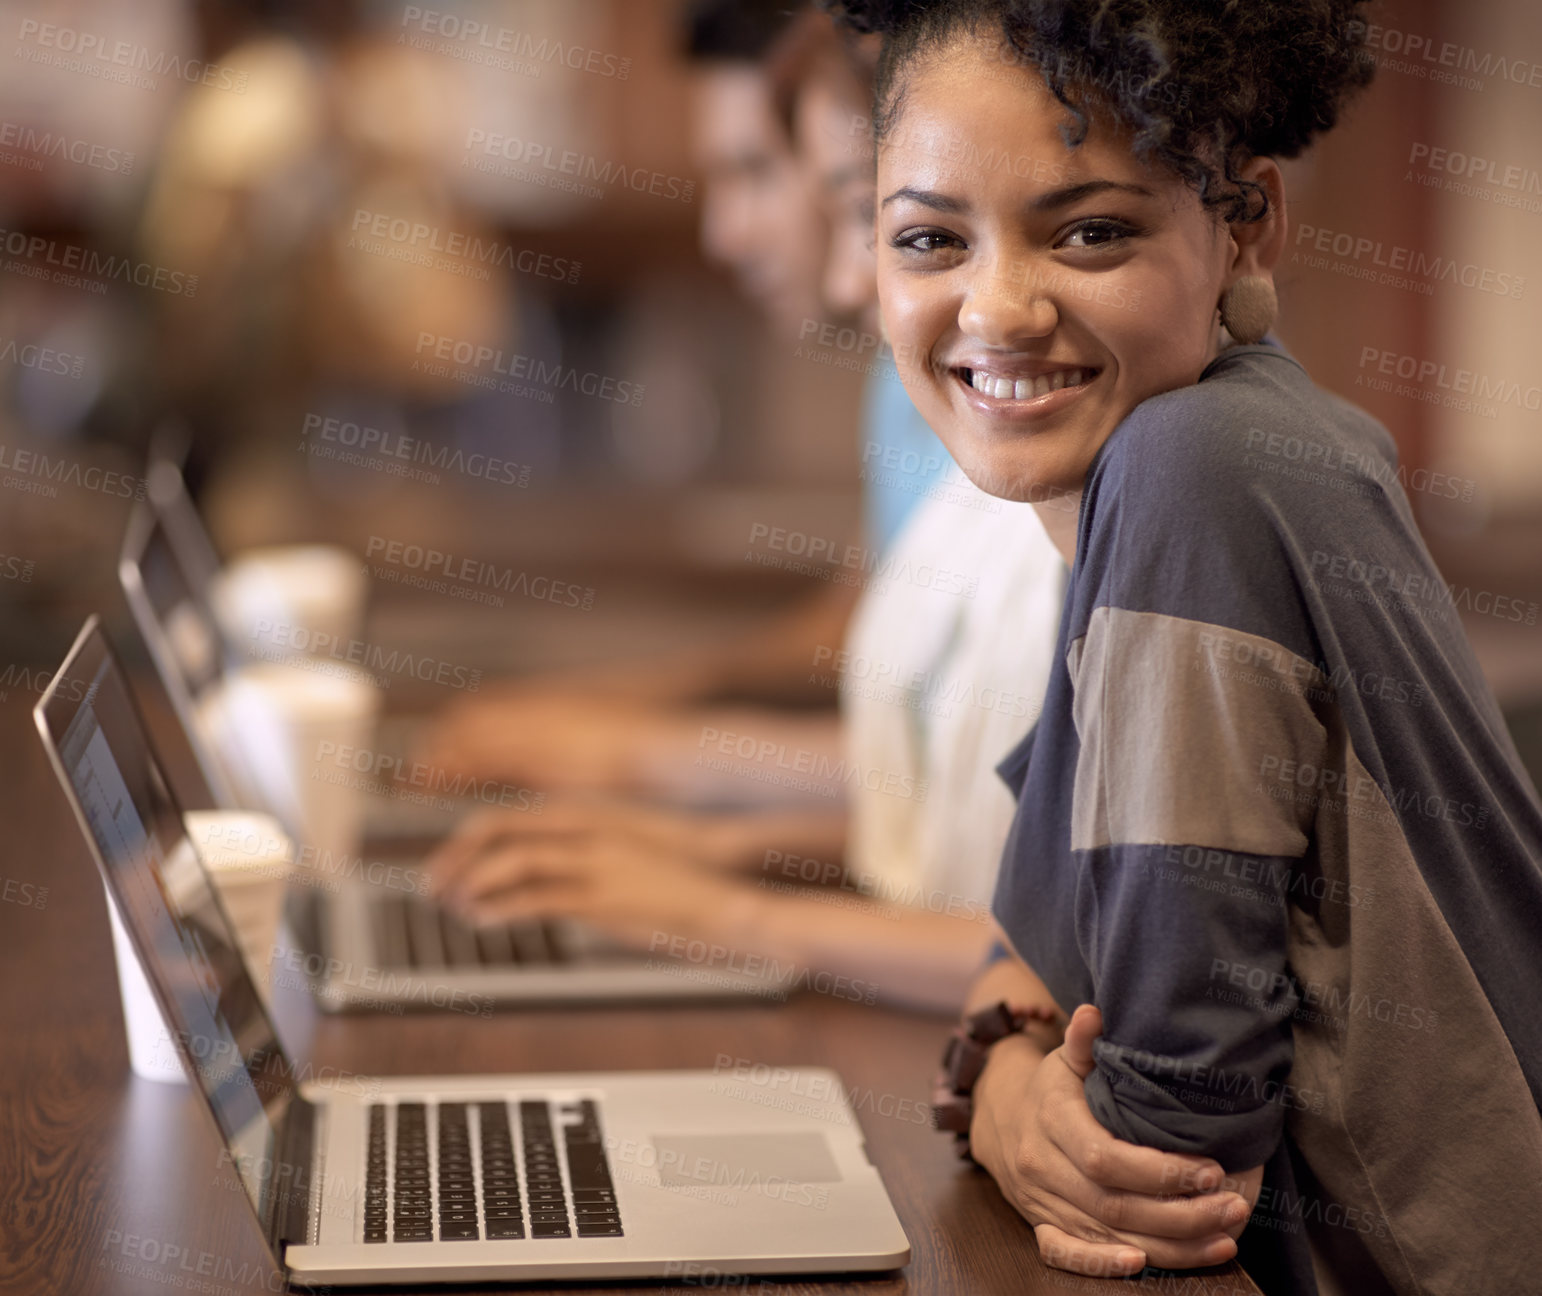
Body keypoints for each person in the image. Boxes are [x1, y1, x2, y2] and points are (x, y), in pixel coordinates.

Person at [828, 0, 1542, 1290]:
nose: (997, 308)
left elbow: (1165, 1156)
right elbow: (1029, 970)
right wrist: (999, 1080)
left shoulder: (1191, 468)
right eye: (930, 239)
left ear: (1247, 225)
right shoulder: (1148, 468)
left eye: (1091, 230)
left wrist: (1007, 1094)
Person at [426, 4, 1069, 1014]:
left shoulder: (1095, 476)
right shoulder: (975, 447)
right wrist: (701, 832)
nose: (863, 270)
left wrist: (698, 850)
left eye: (759, 175)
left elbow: (1083, 958)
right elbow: (948, 781)